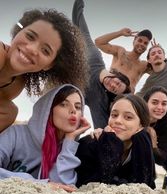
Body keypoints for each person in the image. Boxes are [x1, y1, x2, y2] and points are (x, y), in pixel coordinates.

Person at [0, 8, 89, 132]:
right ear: (18, 31)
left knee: (10, 112)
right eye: (30, 36)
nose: (32, 49)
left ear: (49, 65)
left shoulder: (17, 84)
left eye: (45, 50)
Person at [0, 84, 91, 192]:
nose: (73, 111)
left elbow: (63, 187)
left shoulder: (69, 146)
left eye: (78, 107)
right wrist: (39, 184)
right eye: (63, 104)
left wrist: (69, 141)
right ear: (47, 109)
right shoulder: (15, 134)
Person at [75, 94, 156, 189]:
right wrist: (111, 144)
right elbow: (97, 184)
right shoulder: (89, 144)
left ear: (141, 125)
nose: (118, 121)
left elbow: (147, 184)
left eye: (128, 117)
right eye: (114, 115)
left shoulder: (141, 145)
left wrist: (143, 140)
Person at [72, 0, 131, 128]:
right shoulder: (93, 55)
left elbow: (103, 127)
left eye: (114, 89)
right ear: (118, 75)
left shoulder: (99, 99)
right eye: (118, 82)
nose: (112, 85)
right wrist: (79, 3)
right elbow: (79, 25)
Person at [94, 22, 152, 93]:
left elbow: (164, 71)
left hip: (125, 100)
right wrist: (120, 33)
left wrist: (158, 53)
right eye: (140, 40)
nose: (142, 44)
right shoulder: (120, 52)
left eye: (145, 43)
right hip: (107, 95)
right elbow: (98, 42)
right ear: (134, 41)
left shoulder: (144, 65)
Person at [143, 86, 167, 166]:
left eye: (164, 104)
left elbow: (161, 159)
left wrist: (153, 142)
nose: (160, 107)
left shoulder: (166, 124)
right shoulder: (134, 116)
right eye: (154, 102)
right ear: (145, 103)